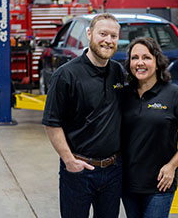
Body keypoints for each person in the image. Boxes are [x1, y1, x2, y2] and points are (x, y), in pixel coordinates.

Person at [42, 13, 124, 218]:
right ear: (89, 34)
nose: (108, 40)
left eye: (113, 36)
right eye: (103, 34)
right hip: (78, 171)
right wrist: (69, 160)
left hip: (113, 171)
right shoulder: (66, 74)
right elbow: (52, 123)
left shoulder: (117, 71)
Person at [121, 37, 178, 218]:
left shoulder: (173, 94)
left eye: (146, 57)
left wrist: (172, 166)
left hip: (160, 183)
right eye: (135, 58)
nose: (140, 63)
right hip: (128, 183)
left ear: (157, 62)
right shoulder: (125, 94)